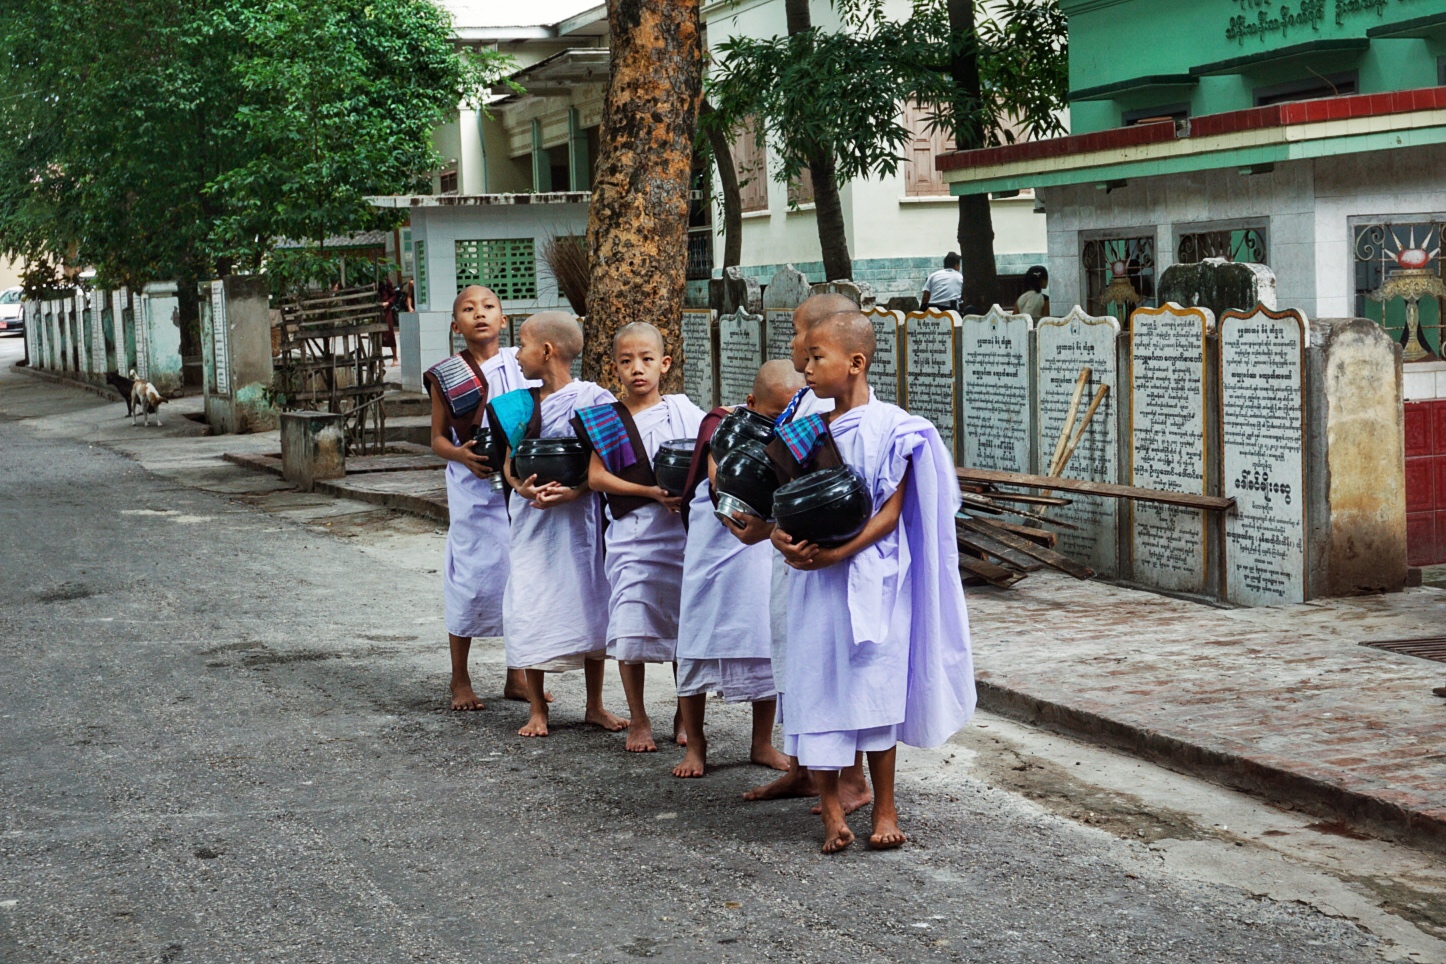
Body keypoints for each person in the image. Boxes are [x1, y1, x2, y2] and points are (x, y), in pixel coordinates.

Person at [772, 311, 977, 853]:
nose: (807, 368)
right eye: (807, 358)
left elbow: (888, 513)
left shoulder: (897, 428)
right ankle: (833, 813)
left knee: (875, 690)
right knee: (816, 684)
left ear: (855, 363)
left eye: (818, 358)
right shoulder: (804, 428)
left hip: (874, 577)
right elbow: (781, 503)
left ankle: (885, 808)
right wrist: (780, 539)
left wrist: (840, 551)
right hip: (813, 580)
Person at [728, 294, 872, 814]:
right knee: (795, 661)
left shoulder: (833, 407)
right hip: (790, 554)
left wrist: (781, 532)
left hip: (822, 560)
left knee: (832, 666)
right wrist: (764, 527)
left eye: (796, 333)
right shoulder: (803, 400)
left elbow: (834, 499)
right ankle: (801, 769)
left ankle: (851, 780)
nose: (792, 347)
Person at [490, 312, 629, 739]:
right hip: (532, 524)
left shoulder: (594, 399)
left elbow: (609, 460)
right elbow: (508, 466)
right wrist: (522, 488)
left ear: (547, 351)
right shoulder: (516, 405)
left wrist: (575, 492)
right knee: (530, 605)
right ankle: (537, 708)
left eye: (524, 344)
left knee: (589, 604)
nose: (516, 353)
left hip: (579, 523)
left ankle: (595, 705)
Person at [573, 322, 704, 753]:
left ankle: (686, 715)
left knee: (686, 630)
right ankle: (640, 718)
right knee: (630, 628)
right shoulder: (609, 419)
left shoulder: (686, 412)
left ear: (664, 364)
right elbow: (595, 478)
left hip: (680, 536)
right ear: (615, 368)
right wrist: (650, 491)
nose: (637, 369)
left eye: (647, 359)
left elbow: (707, 464)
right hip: (632, 536)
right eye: (627, 361)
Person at [671, 359, 803, 778]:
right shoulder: (722, 425)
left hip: (761, 543)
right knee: (695, 640)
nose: (780, 422)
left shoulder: (797, 430)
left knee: (762, 639)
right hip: (717, 542)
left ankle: (761, 743)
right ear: (750, 403)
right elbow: (718, 480)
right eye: (772, 414)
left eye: (788, 413)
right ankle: (696, 745)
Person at [424, 285, 541, 712]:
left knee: (518, 574)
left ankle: (517, 675)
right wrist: (461, 455)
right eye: (469, 309)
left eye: (489, 306)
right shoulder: (447, 375)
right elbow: (437, 438)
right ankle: (460, 677)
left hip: (518, 483)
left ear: (503, 320)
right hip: (472, 486)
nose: (480, 314)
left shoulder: (522, 364)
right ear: (456, 325)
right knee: (470, 580)